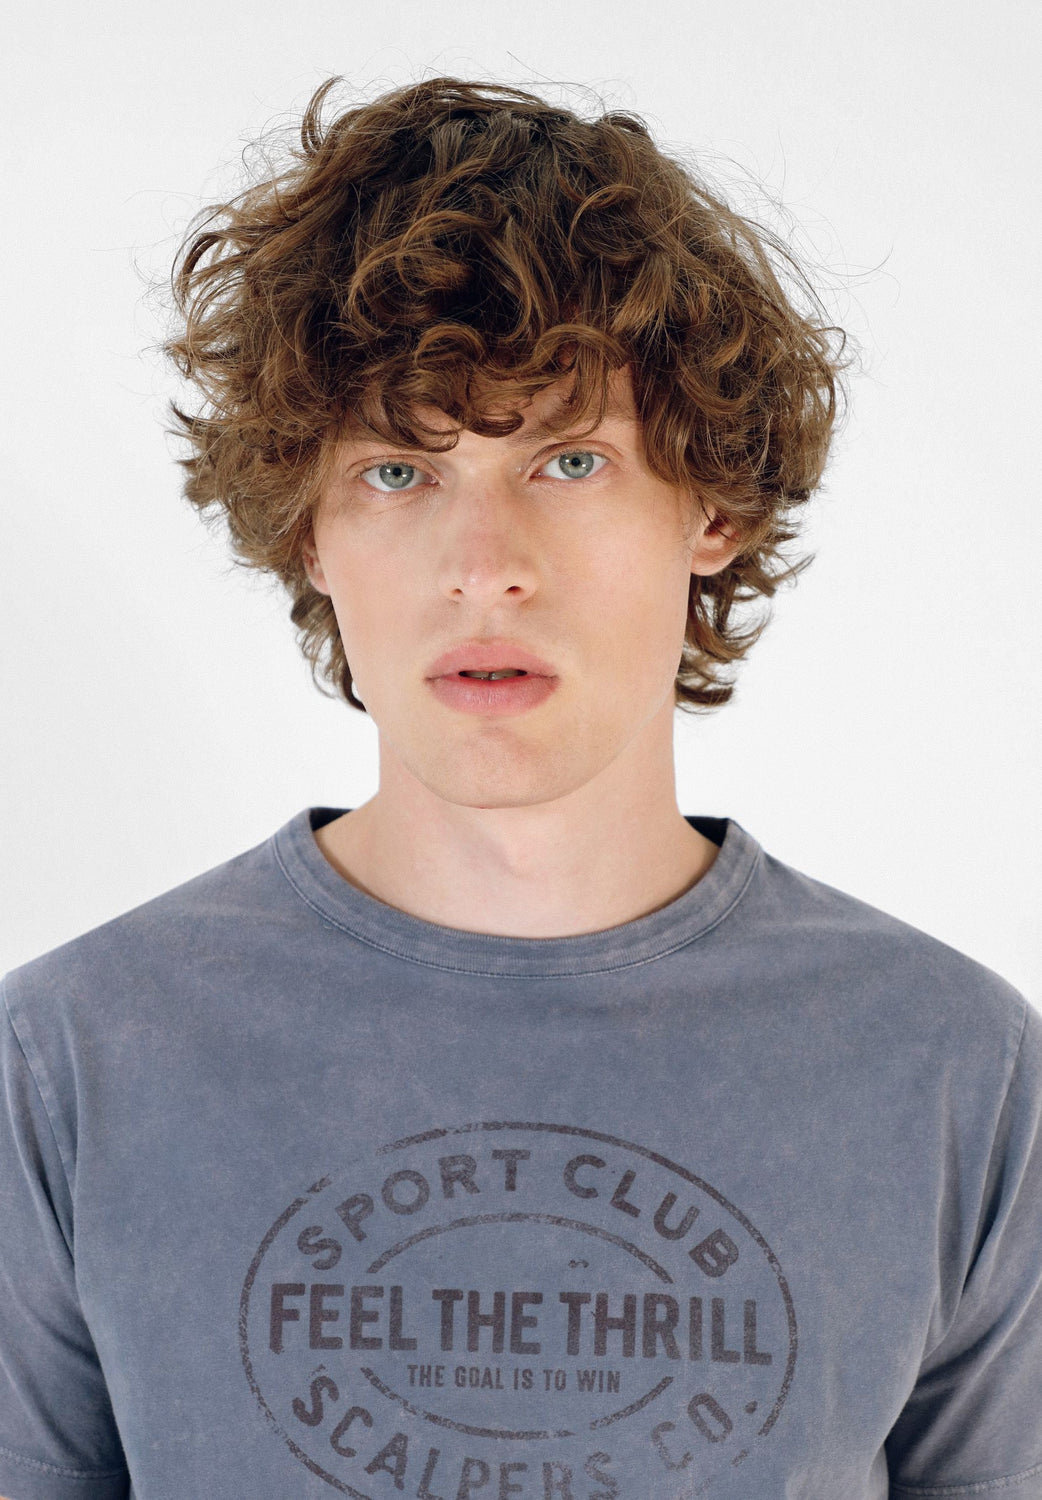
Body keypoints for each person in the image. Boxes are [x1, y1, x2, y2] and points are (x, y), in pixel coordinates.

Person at [1, 74, 1039, 1500]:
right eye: (397, 472)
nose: (484, 565)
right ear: (306, 534)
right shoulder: (67, 1063)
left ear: (714, 507)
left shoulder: (953, 1070)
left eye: (567, 458)